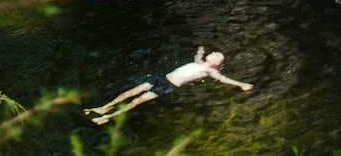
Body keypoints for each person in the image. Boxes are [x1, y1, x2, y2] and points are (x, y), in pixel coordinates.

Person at [84, 47, 254, 125]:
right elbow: (196, 59)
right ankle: (104, 107)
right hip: (161, 78)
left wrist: (241, 84)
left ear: (217, 63)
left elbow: (224, 79)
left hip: (167, 86)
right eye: (213, 53)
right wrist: (199, 52)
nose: (214, 54)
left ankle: (109, 117)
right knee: (131, 92)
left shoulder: (212, 73)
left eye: (216, 56)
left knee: (137, 101)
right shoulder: (201, 62)